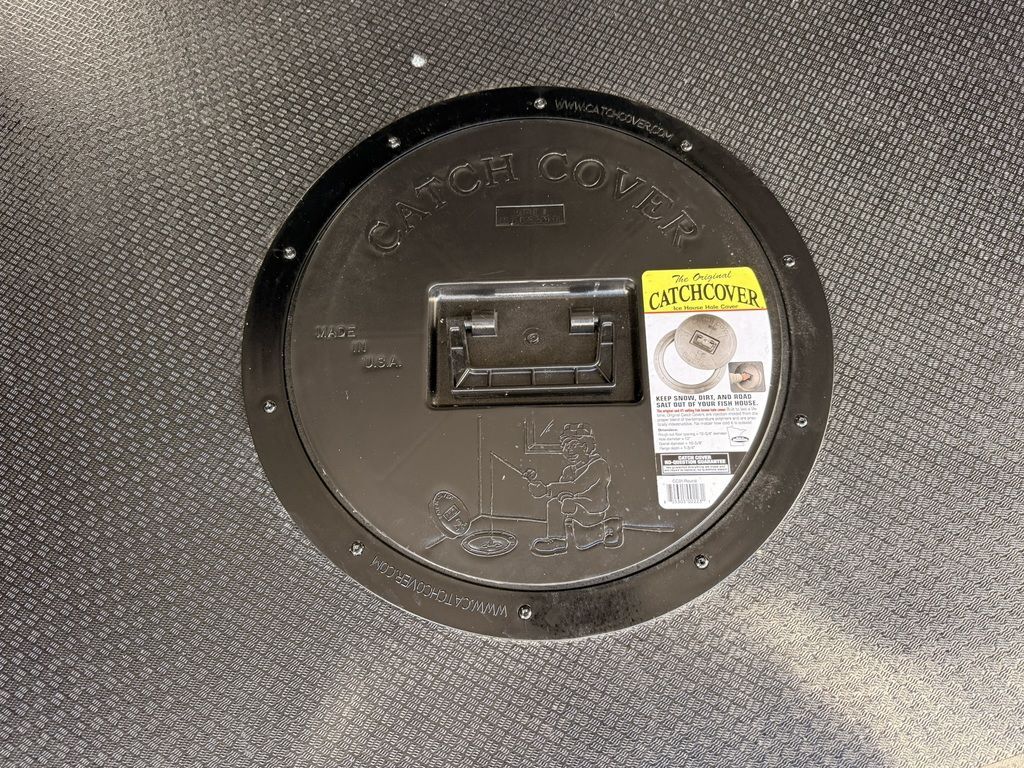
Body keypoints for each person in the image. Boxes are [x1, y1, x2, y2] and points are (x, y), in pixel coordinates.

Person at [528, 423, 623, 556]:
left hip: (592, 509)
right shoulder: (569, 470)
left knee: (568, 505)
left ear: (585, 446)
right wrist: (537, 486)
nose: (568, 450)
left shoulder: (598, 465)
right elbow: (562, 488)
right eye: (565, 447)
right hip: (572, 507)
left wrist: (548, 490)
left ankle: (605, 528)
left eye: (573, 445)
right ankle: (557, 540)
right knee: (554, 504)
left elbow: (578, 486)